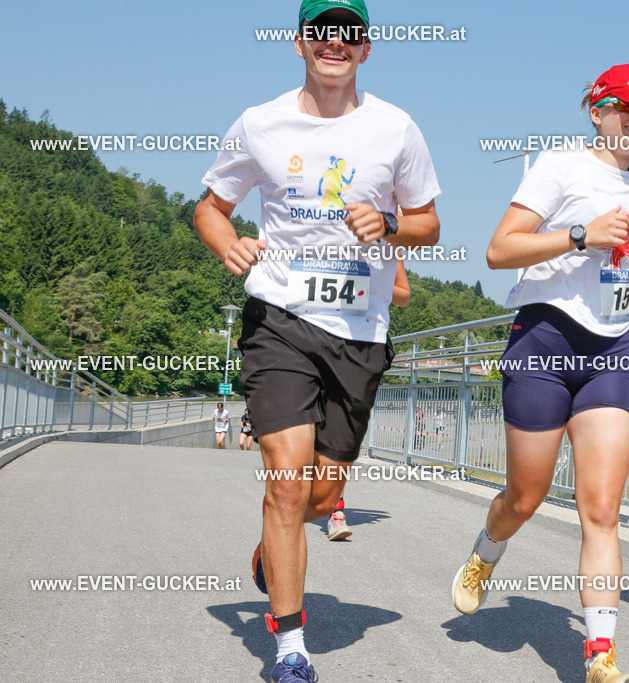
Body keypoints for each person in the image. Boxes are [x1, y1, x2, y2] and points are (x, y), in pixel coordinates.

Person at [194, 0, 441, 678]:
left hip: (359, 332)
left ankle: (272, 552)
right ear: (300, 42)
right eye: (322, 31)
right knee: (285, 485)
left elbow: (428, 224)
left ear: (366, 48)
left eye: (349, 33)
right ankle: (290, 649)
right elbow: (211, 208)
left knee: (322, 497)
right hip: (279, 318)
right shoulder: (261, 123)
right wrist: (227, 244)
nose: (335, 42)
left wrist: (390, 224)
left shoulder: (396, 128)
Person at [450, 63, 629, 683]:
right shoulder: (559, 164)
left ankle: (600, 657)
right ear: (597, 111)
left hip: (612, 347)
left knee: (601, 508)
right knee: (524, 497)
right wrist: (579, 234)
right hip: (545, 340)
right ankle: (487, 551)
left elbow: (618, 254)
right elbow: (500, 250)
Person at [326, 259, 410, 541]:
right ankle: (298, 497)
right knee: (309, 429)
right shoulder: (321, 239)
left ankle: (336, 511)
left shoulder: (388, 246)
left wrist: (372, 283)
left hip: (360, 343)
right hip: (312, 336)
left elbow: (404, 295)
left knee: (343, 433)